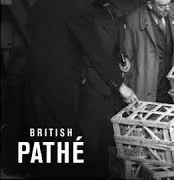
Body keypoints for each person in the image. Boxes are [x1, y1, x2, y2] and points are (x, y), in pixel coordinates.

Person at [26, 0, 137, 178]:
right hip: (60, 82)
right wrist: (120, 85)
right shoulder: (77, 7)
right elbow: (95, 51)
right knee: (63, 138)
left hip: (36, 78)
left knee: (45, 135)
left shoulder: (41, 4)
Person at [124, 0, 174, 103]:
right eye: (161, 6)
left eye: (168, 4)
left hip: (172, 82)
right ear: (150, 5)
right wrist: (127, 87)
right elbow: (128, 57)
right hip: (148, 83)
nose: (167, 9)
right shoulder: (134, 20)